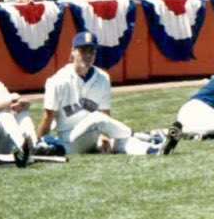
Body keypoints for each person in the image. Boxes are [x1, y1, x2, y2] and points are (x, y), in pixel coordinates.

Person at [36, 32, 178, 156]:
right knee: (97, 118)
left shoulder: (102, 77)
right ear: (73, 51)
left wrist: (104, 137)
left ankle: (156, 149)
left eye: (92, 51)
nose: (88, 55)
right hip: (70, 139)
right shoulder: (58, 81)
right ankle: (145, 135)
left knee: (121, 141)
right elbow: (47, 118)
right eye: (83, 50)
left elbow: (106, 113)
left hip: (95, 135)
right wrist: (39, 142)